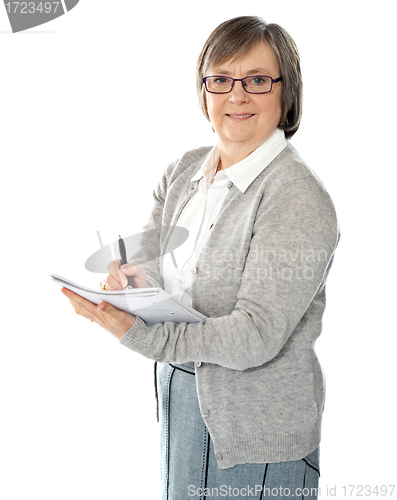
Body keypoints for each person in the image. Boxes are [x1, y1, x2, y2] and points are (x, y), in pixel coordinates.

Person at [62, 16, 339, 500]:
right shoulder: (185, 171)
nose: (237, 96)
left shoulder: (296, 196)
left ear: (286, 91)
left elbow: (255, 336)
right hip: (182, 402)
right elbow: (148, 260)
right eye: (221, 80)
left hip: (257, 435)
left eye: (256, 80)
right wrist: (126, 286)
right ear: (204, 89)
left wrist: (143, 338)